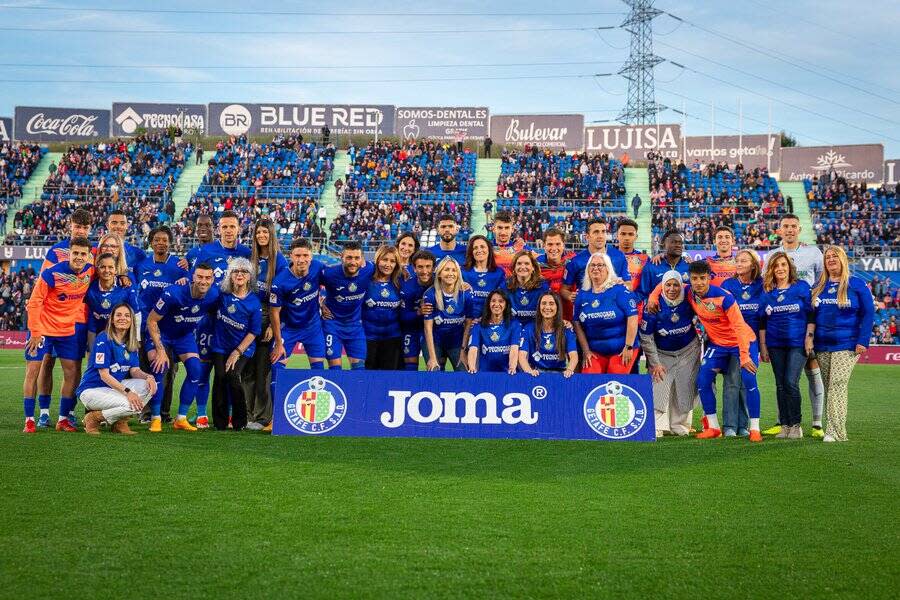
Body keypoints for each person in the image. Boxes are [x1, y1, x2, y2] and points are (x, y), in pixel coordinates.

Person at [648, 261, 763, 442]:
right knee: (702, 381)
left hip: (743, 342)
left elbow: (740, 327)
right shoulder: (688, 292)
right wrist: (653, 296)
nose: (699, 282)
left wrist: (745, 356)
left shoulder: (724, 298)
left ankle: (755, 428)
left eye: (703, 278)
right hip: (718, 345)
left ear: (709, 278)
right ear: (690, 280)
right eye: (695, 278)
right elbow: (666, 283)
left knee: (749, 380)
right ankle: (714, 427)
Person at [22, 237, 93, 433]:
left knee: (71, 372)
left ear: (89, 256)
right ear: (69, 253)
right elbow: (34, 303)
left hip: (67, 330)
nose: (79, 257)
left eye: (83, 254)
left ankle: (62, 419)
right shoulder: (51, 274)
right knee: (33, 371)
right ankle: (29, 419)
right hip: (43, 329)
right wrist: (35, 332)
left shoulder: (90, 271)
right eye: (75, 253)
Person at [144, 264, 219, 432]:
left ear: (213, 279)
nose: (203, 281)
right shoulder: (174, 293)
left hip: (184, 336)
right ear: (192, 277)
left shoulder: (214, 294)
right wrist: (161, 350)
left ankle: (181, 419)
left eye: (208, 278)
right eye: (199, 277)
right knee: (159, 367)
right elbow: (152, 320)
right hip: (161, 334)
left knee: (196, 371)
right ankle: (155, 418)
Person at [811, 246, 874, 442]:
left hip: (847, 345)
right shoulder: (818, 286)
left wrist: (863, 340)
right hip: (822, 345)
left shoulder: (856, 284)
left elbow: (868, 312)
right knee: (831, 387)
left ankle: (835, 432)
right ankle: (835, 429)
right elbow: (811, 315)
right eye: (827, 257)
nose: (831, 259)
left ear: (843, 260)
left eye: (834, 256)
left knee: (837, 385)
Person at [771, 213, 825, 437]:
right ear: (780, 230)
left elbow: (823, 279)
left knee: (812, 369)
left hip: (809, 320)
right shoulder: (773, 255)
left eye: (794, 226)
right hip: (783, 322)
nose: (790, 230)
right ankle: (782, 421)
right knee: (783, 377)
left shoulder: (813, 252)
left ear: (799, 229)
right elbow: (769, 285)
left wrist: (815, 299)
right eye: (786, 226)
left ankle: (817, 422)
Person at [135, 226, 189, 425]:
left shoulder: (179, 266)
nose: (161, 243)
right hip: (143, 326)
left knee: (167, 370)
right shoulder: (141, 265)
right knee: (145, 369)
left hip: (168, 328)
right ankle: (146, 412)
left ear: (170, 242)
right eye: (157, 239)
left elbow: (189, 287)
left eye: (165, 240)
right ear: (151, 242)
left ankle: (164, 413)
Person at [77, 304, 157, 436]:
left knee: (149, 386)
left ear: (132, 320)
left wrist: (148, 377)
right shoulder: (103, 339)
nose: (123, 318)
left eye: (127, 315)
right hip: (92, 390)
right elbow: (104, 375)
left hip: (112, 388)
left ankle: (119, 422)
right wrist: (128, 392)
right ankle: (93, 418)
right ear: (112, 319)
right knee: (132, 404)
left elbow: (135, 370)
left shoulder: (131, 342)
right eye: (118, 315)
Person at [758, 251, 814, 439]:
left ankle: (796, 425)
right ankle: (785, 425)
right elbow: (762, 323)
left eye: (783, 265)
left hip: (797, 343)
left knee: (791, 382)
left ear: (789, 268)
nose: (780, 269)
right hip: (775, 344)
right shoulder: (767, 293)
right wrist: (763, 347)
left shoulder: (802, 287)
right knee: (780, 385)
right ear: (771, 270)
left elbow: (811, 315)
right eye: (776, 266)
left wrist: (809, 337)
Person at [270, 239, 329, 417]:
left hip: (313, 328)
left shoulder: (318, 267)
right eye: (298, 255)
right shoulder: (280, 281)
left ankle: (319, 413)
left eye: (305, 255)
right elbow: (274, 313)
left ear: (311, 256)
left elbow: (335, 283)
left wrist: (326, 303)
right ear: (291, 256)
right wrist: (279, 342)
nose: (302, 259)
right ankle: (277, 416)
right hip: (289, 329)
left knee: (318, 369)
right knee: (276, 369)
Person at [639, 270, 701, 437]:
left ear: (681, 286)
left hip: (689, 350)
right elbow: (646, 337)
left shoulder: (689, 297)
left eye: (676, 285)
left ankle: (680, 425)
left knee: (685, 386)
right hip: (662, 353)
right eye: (668, 285)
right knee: (660, 386)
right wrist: (654, 363)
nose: (672, 288)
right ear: (662, 286)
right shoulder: (652, 306)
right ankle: (658, 425)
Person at [210, 258, 262, 431]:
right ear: (230, 276)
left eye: (244, 272)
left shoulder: (254, 302)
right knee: (220, 377)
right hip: (219, 346)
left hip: (243, 348)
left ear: (249, 277)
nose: (239, 274)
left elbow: (254, 332)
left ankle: (241, 421)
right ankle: (220, 422)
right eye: (235, 271)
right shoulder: (221, 293)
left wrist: (237, 351)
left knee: (233, 376)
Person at [246, 218, 288, 430]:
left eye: (265, 232)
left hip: (266, 316)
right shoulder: (249, 257)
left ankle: (263, 417)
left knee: (263, 370)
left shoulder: (279, 261)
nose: (261, 235)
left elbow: (281, 297)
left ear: (271, 235)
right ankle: (247, 414)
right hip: (246, 317)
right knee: (246, 370)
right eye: (258, 232)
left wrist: (273, 325)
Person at [720, 249, 764, 437]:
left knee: (747, 381)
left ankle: (743, 425)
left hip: (752, 341)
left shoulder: (763, 285)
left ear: (754, 264)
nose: (738, 263)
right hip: (731, 339)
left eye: (743, 261)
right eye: (737, 260)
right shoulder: (727, 284)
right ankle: (730, 425)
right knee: (731, 381)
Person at [573, 253, 639, 374]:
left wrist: (629, 346)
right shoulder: (582, 295)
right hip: (595, 350)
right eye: (592, 265)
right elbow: (577, 323)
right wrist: (586, 350)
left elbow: (633, 317)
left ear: (608, 269)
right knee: (590, 379)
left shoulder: (620, 290)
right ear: (587, 269)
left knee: (615, 378)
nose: (595, 268)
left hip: (622, 348)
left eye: (600, 265)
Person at [321, 241, 375, 369]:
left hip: (355, 326)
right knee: (335, 370)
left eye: (357, 258)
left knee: (359, 370)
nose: (353, 262)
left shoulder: (369, 269)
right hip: (332, 325)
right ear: (342, 257)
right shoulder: (329, 274)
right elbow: (310, 284)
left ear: (362, 259)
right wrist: (321, 304)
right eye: (349, 257)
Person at [561, 218, 631, 305]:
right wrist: (570, 296)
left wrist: (623, 285)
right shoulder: (575, 261)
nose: (600, 236)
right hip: (587, 309)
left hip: (614, 308)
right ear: (587, 237)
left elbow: (629, 284)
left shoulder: (619, 256)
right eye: (596, 232)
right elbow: (564, 289)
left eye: (603, 231)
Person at [423, 257, 476, 371]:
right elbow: (428, 328)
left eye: (454, 270)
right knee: (434, 371)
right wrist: (432, 357)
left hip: (456, 342)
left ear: (458, 273)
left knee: (464, 372)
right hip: (435, 341)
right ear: (439, 273)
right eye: (447, 270)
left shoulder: (465, 294)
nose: (451, 273)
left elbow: (468, 325)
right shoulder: (430, 294)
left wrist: (463, 351)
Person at [84, 253, 141, 352]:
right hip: (100, 335)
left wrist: (136, 339)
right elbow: (92, 318)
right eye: (103, 267)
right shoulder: (90, 289)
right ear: (97, 269)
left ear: (115, 270)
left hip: (122, 335)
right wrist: (91, 348)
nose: (107, 270)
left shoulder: (126, 287)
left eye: (110, 267)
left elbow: (136, 314)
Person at [518, 292, 578, 377]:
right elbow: (522, 356)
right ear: (539, 307)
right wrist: (529, 371)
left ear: (558, 307)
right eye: (543, 303)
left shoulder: (566, 328)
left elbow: (574, 356)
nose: (547, 307)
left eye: (551, 304)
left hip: (561, 374)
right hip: (537, 373)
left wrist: (569, 370)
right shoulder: (529, 328)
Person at [363, 245, 403, 370]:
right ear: (377, 259)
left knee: (388, 379)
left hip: (392, 339)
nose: (388, 264)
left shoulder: (400, 282)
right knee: (367, 379)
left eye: (392, 261)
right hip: (367, 338)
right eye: (384, 260)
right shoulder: (365, 280)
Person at [397, 249, 436, 371]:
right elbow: (402, 316)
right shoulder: (408, 288)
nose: (425, 271)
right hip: (411, 330)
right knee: (410, 366)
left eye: (428, 267)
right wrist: (418, 312)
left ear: (434, 267)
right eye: (420, 267)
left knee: (436, 365)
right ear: (414, 268)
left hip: (435, 331)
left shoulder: (441, 282)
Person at [467, 290, 520, 374]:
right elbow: (473, 349)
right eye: (493, 301)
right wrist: (472, 367)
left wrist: (512, 367)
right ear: (488, 304)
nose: (496, 304)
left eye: (501, 301)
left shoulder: (514, 325)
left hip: (507, 374)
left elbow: (514, 348)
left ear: (506, 305)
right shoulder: (478, 325)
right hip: (485, 374)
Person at [462, 235, 507, 319]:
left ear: (489, 249)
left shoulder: (499, 272)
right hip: (466, 320)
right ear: (471, 251)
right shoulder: (463, 272)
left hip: (490, 320)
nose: (479, 250)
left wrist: (485, 319)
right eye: (475, 248)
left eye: (482, 247)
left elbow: (502, 299)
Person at [638, 230, 688, 302]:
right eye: (673, 242)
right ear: (664, 244)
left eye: (680, 243)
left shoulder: (689, 267)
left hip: (684, 313)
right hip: (657, 312)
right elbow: (643, 294)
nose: (678, 245)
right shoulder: (651, 267)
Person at [537, 228, 576, 320]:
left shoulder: (574, 261)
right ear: (544, 246)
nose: (554, 248)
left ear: (563, 245)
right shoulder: (535, 266)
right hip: (544, 320)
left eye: (558, 244)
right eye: (550, 244)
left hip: (569, 320)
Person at [503, 251, 549, 326]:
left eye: (527, 263)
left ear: (533, 267)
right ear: (514, 267)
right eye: (519, 263)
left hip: (535, 330)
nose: (523, 267)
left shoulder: (543, 286)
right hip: (512, 329)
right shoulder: (506, 285)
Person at [104, 209, 147, 275]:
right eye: (114, 223)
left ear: (127, 226)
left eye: (122, 223)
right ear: (107, 225)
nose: (118, 226)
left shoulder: (138, 254)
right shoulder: (96, 250)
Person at [490, 211, 531, 276]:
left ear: (512, 229)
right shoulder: (486, 248)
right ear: (493, 229)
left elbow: (540, 259)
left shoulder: (521, 247)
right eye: (500, 228)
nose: (503, 232)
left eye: (507, 228)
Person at [616, 218, 648, 294]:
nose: (627, 238)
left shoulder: (644, 259)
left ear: (636, 237)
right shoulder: (607, 257)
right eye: (623, 234)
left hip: (637, 303)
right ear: (617, 236)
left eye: (630, 234)